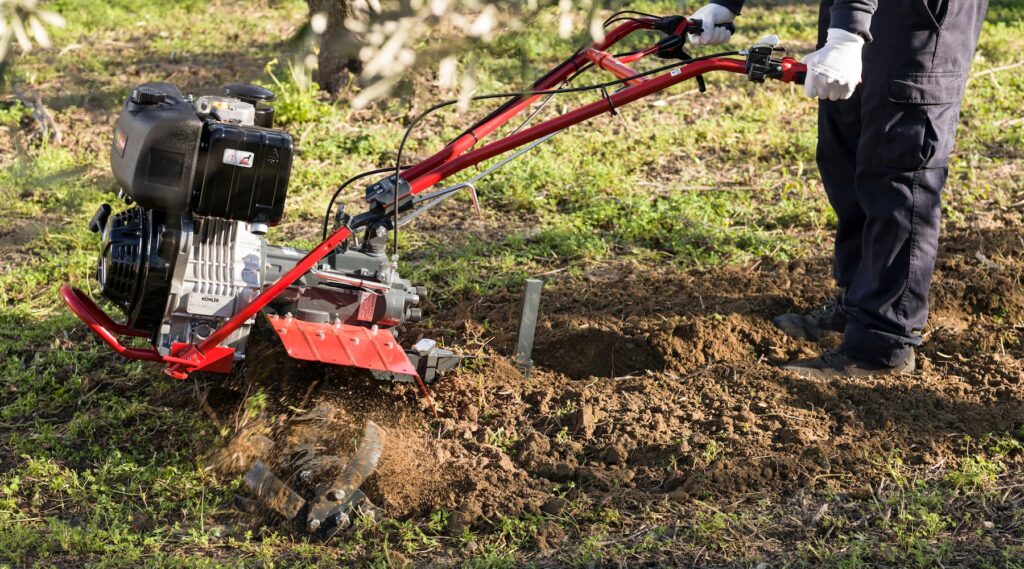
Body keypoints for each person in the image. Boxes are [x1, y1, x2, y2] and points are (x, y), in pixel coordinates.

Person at [685, 0, 989, 379]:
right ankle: (858, 302)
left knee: (897, 163)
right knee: (844, 146)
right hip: (853, 8)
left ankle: (882, 343)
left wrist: (848, 29)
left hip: (919, 14)